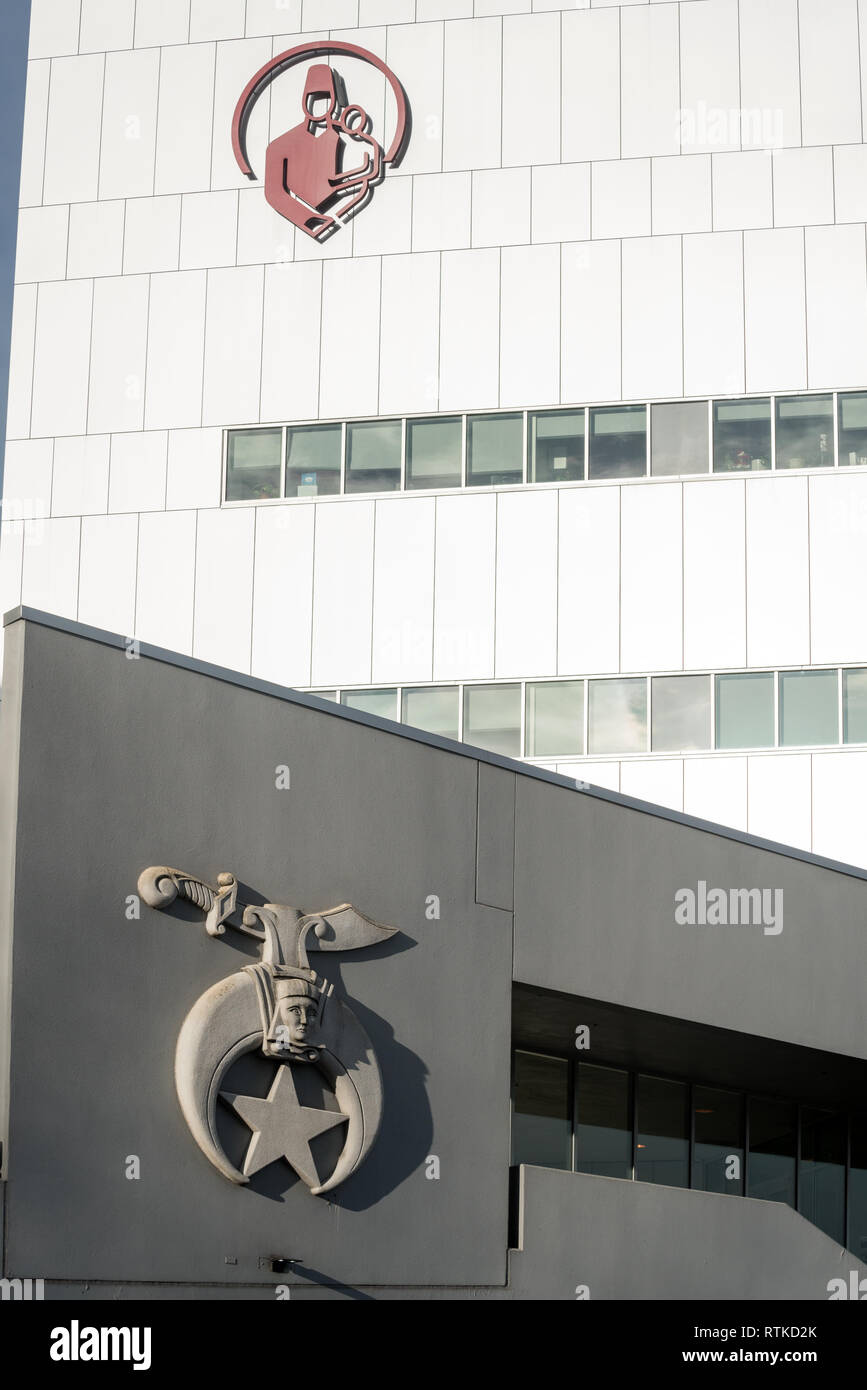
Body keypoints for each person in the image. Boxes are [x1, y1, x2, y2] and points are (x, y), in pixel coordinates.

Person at [264, 64, 383, 240]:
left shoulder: (344, 134)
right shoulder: (280, 145)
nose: (320, 107)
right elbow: (275, 193)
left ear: (334, 100)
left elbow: (371, 165)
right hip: (321, 213)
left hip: (344, 203)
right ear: (305, 101)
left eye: (327, 98)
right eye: (314, 99)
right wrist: (309, 219)